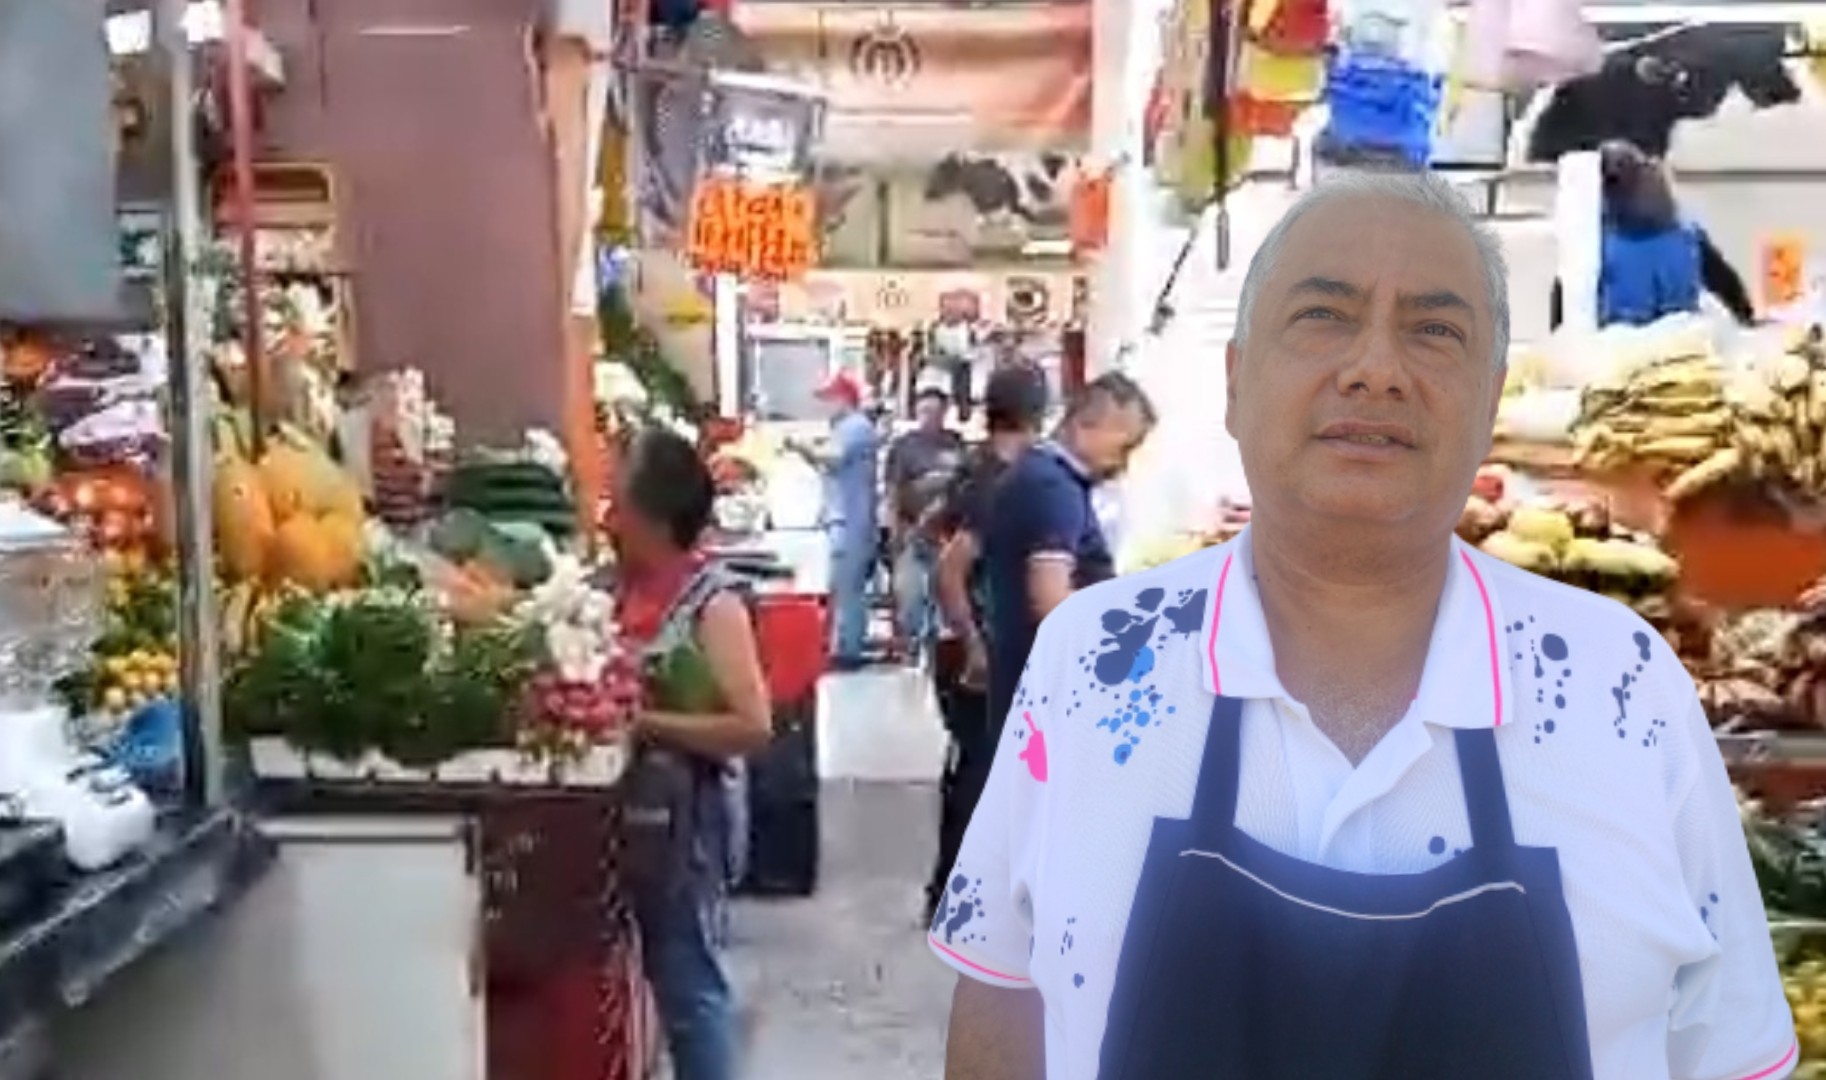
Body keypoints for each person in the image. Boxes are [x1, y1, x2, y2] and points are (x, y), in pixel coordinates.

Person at [933, 170, 1794, 1080]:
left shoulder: (1620, 689)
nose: (1375, 368)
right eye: (1323, 316)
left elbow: (1731, 1055)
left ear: (1489, 400)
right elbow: (1000, 1013)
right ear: (1236, 383)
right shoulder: (1097, 663)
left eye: (1435, 330)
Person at [610, 429, 772, 1080]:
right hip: (628, 822)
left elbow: (752, 727)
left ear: (653, 518)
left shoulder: (713, 604)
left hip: (686, 830)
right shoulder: (618, 586)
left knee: (689, 987)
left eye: (619, 503)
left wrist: (646, 725)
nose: (609, 516)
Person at [924, 363, 1050, 923]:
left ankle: (958, 893)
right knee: (982, 775)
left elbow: (933, 533)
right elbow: (950, 570)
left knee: (976, 771)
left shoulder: (975, 472)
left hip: (968, 644)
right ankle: (963, 898)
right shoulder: (1002, 481)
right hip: (981, 649)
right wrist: (974, 644)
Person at [978, 372, 1156, 737]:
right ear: (1089, 425)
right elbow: (1050, 601)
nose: (1122, 465)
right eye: (1123, 448)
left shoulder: (1033, 474)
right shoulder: (1054, 489)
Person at [1550, 139, 1755, 330]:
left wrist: (1561, 336)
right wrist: (1746, 317)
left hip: (1621, 340)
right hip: (1679, 337)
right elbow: (1724, 281)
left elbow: (1567, 293)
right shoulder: (1687, 233)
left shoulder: (1596, 242)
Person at [787, 371, 879, 669]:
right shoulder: (842, 428)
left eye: (828, 399)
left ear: (844, 399)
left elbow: (832, 457)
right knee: (840, 586)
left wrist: (801, 446)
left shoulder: (856, 426)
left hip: (852, 521)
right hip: (842, 519)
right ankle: (840, 646)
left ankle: (848, 651)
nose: (823, 406)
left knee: (848, 586)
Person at [885, 377, 966, 663]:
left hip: (948, 534)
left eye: (936, 411)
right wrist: (894, 530)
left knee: (946, 596)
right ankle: (913, 645)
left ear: (945, 413)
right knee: (911, 595)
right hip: (912, 531)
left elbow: (967, 484)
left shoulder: (956, 444)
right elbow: (893, 491)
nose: (930, 417)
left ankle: (940, 653)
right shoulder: (904, 447)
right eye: (924, 411)